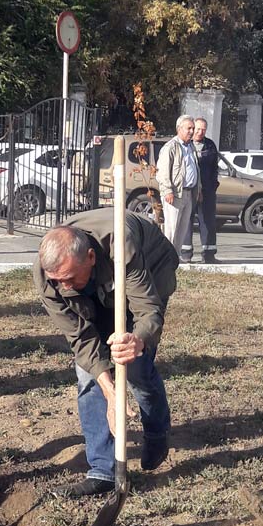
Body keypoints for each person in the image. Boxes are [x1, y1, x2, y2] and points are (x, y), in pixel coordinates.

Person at [33, 209, 176, 497]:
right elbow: (81, 338)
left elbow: (148, 311)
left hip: (151, 268)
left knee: (135, 367)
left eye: (69, 278)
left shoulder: (122, 245)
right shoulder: (49, 277)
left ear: (90, 257)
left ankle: (157, 433)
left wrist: (137, 340)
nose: (63, 287)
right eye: (58, 280)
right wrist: (110, 393)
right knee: (88, 375)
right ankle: (102, 471)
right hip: (100, 283)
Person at [156, 115, 198, 264]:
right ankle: (166, 259)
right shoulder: (171, 147)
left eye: (193, 128)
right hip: (175, 194)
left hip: (188, 193)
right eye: (189, 128)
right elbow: (162, 172)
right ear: (179, 129)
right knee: (171, 229)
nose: (192, 131)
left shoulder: (190, 147)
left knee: (182, 228)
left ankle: (175, 258)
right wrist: (167, 190)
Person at [191, 117, 221, 264]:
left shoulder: (210, 145)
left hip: (208, 191)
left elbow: (215, 167)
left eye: (203, 130)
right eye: (197, 129)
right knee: (186, 222)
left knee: (208, 222)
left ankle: (209, 254)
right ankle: (185, 254)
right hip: (189, 190)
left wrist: (213, 185)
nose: (200, 132)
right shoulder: (186, 145)